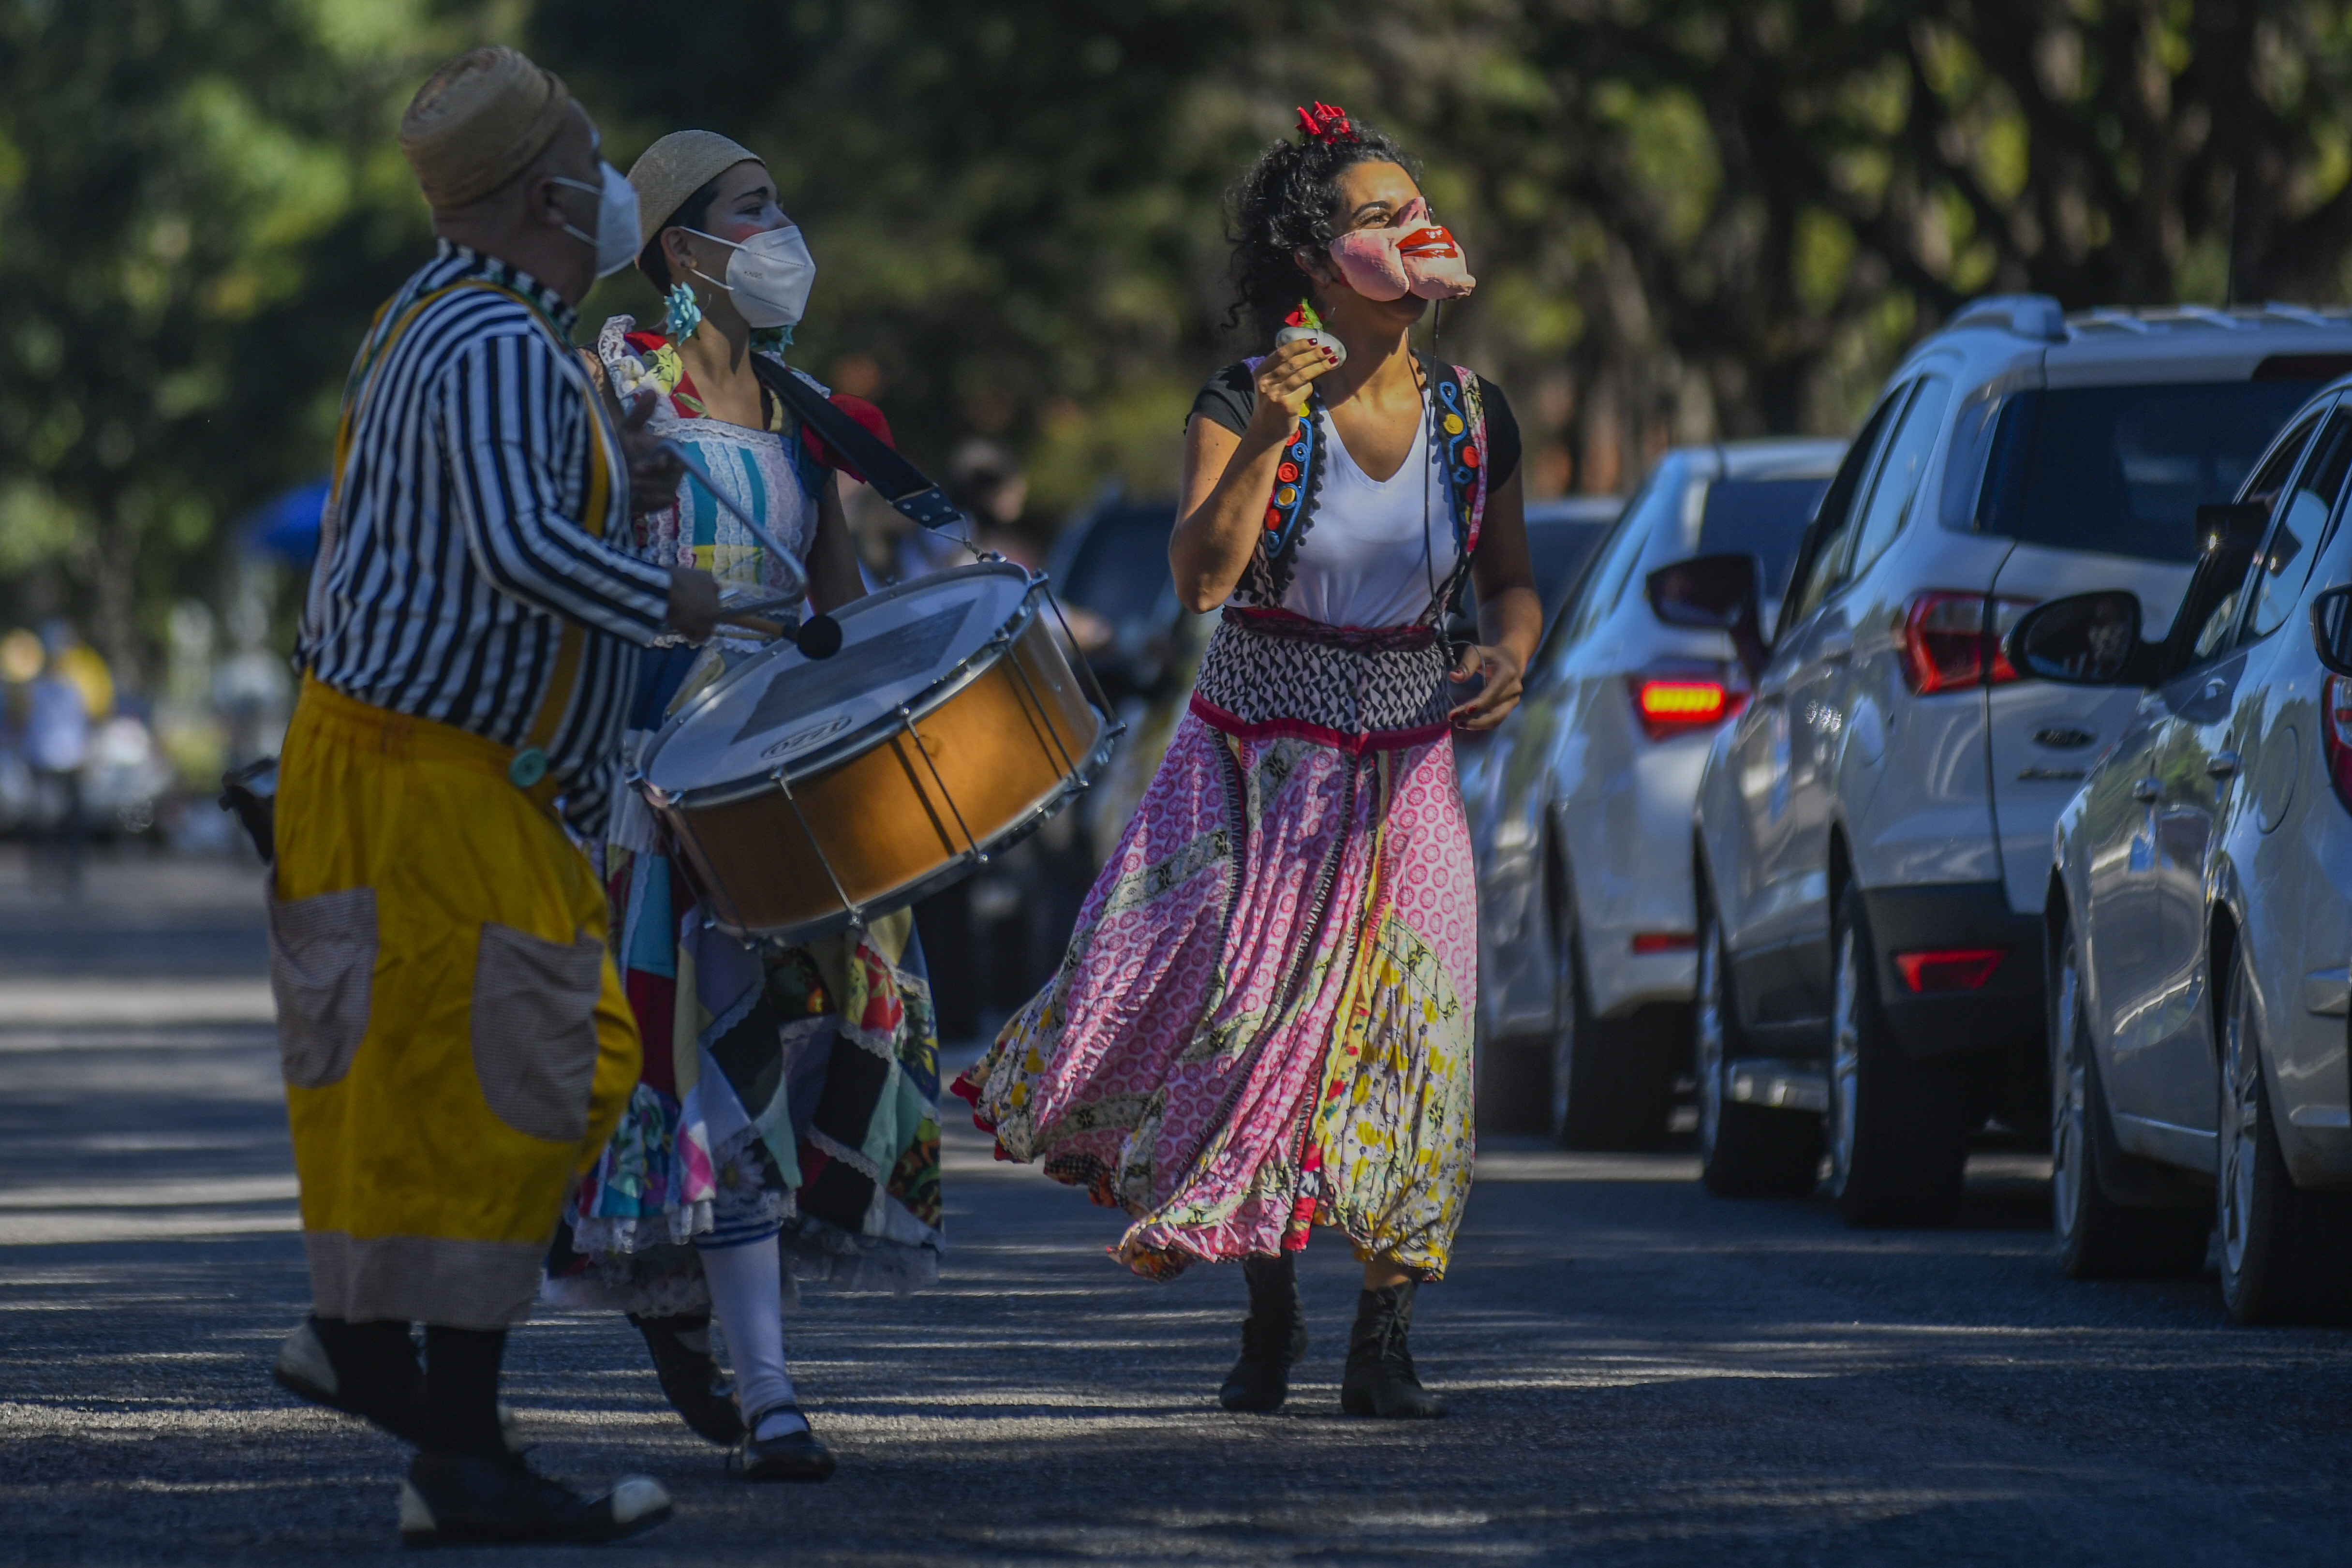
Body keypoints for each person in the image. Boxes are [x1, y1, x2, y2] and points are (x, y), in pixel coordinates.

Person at [954, 102, 1538, 1420]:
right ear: (1319, 260)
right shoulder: (1242, 397)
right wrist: (1274, 429)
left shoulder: (1474, 417)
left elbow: (1512, 590)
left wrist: (1508, 658)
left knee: (1417, 1035)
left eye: (1415, 205)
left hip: (1409, 761)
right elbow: (1203, 574)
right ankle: (1267, 1302)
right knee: (1260, 1025)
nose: (1412, 227)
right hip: (1257, 764)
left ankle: (1384, 1332)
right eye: (1378, 214)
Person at [263, 45, 720, 1546]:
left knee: (482, 1080)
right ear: (547, 195)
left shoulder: (463, 322)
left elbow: (510, 509)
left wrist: (625, 475)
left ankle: (404, 1385)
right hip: (428, 776)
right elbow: (521, 551)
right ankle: (440, 1425)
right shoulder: (496, 344)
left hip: (431, 774)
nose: (607, 185)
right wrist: (688, 604)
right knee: (521, 1079)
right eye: (593, 162)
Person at [540, 129, 947, 1483]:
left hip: (784, 768)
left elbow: (840, 612)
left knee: (823, 1051)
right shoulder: (615, 384)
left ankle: (693, 1308)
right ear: (677, 249)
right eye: (753, 209)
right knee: (703, 1066)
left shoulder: (804, 406)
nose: (783, 232)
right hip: (662, 776)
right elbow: (572, 567)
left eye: (780, 203)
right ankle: (773, 1394)